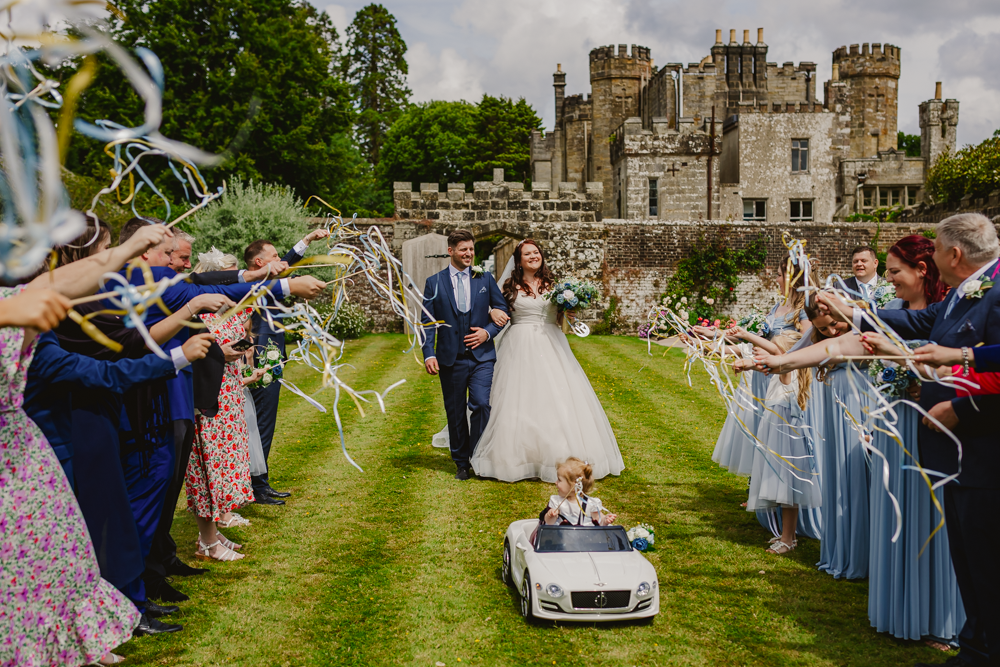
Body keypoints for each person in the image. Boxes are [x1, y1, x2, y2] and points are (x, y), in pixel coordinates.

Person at [817, 213, 1000, 667]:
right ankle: (975, 648)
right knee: (969, 565)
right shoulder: (964, 291)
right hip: (954, 458)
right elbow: (918, 323)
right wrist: (853, 310)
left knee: (987, 567)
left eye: (937, 250)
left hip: (985, 453)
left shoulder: (996, 292)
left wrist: (959, 404)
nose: (934, 260)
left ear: (953, 254)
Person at [0, 276, 144, 667]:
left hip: (29, 460)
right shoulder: (22, 315)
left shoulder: (21, 304)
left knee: (59, 561)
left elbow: (89, 271)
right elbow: (105, 370)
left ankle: (71, 643)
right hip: (29, 456)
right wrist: (178, 355)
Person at [469, 239, 623, 483]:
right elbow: (490, 307)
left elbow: (559, 315)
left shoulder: (554, 285)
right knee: (516, 398)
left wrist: (569, 311)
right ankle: (515, 457)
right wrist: (492, 311)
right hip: (518, 344)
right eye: (527, 253)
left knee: (557, 396)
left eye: (536, 252)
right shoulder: (509, 286)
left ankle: (556, 455)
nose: (533, 256)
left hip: (551, 342)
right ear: (518, 260)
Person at [757, 297, 871, 579]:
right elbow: (794, 356)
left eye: (834, 324)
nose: (832, 331)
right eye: (823, 329)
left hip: (861, 410)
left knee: (859, 482)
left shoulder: (865, 336)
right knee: (839, 481)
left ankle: (864, 550)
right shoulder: (827, 342)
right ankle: (844, 549)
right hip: (835, 415)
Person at [186, 254, 264, 561]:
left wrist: (244, 370)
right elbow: (200, 354)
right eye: (227, 277)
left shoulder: (227, 309)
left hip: (230, 395)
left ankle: (214, 533)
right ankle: (207, 541)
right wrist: (222, 354)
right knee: (208, 470)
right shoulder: (197, 312)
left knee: (222, 469)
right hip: (210, 400)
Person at [245, 229, 331, 503]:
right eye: (273, 256)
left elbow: (288, 262)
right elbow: (286, 268)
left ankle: (260, 482)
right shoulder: (257, 286)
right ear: (259, 263)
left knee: (263, 423)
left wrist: (306, 241)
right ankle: (255, 486)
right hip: (262, 361)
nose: (280, 260)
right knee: (261, 423)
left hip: (272, 359)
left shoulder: (268, 280)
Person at [420, 229, 509, 481]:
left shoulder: (485, 278)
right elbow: (427, 323)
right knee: (456, 411)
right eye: (463, 249)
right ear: (451, 251)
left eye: (471, 249)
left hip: (482, 356)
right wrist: (429, 353)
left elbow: (501, 309)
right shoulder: (433, 282)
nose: (469, 253)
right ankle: (461, 462)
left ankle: (477, 455)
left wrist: (488, 332)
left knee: (481, 403)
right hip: (450, 357)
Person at [737, 331, 818, 555]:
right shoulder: (787, 372)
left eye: (775, 349)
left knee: (787, 491)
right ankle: (787, 535)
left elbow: (777, 355)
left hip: (785, 439)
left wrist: (748, 336)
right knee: (785, 492)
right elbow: (764, 363)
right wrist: (747, 364)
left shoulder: (787, 371)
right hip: (779, 436)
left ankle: (788, 539)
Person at [541, 458, 617, 526]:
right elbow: (549, 523)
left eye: (559, 480)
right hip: (562, 537)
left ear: (573, 486)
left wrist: (605, 520)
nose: (556, 482)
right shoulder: (557, 501)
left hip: (584, 538)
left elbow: (599, 519)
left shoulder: (590, 503)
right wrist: (550, 516)